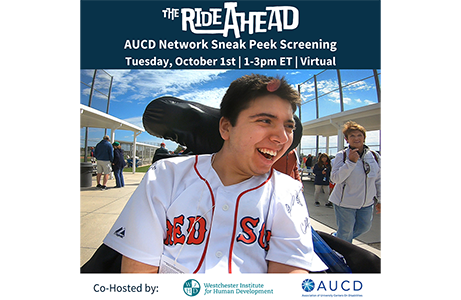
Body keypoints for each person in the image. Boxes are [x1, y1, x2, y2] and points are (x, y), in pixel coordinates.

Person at [103, 74, 327, 274]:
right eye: (265, 120)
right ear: (226, 128)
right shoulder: (165, 176)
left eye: (289, 126)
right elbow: (139, 274)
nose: (282, 137)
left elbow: (289, 277)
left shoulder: (287, 191)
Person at [329, 121, 381, 243]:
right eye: (352, 136)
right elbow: (335, 178)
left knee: (364, 227)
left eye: (359, 135)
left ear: (364, 137)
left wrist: (380, 199)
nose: (356, 138)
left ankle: (338, 238)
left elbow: (378, 179)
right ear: (347, 140)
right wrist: (351, 163)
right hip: (345, 203)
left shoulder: (374, 156)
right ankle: (343, 256)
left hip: (367, 203)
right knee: (346, 232)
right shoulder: (341, 156)